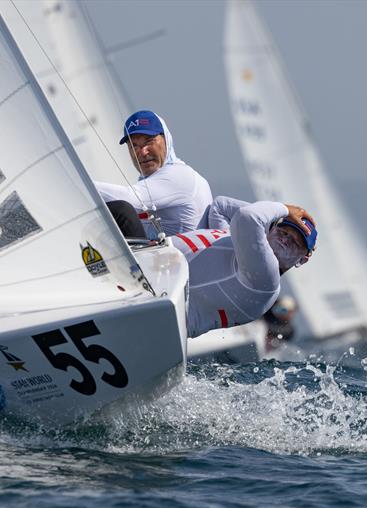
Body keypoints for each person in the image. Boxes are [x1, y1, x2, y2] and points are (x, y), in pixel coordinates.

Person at [173, 196, 316, 338]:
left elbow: (248, 216)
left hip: (166, 312)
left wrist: (285, 209)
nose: (284, 240)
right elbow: (220, 207)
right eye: (283, 232)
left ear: (302, 260)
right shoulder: (240, 243)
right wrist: (269, 223)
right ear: (271, 229)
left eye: (294, 242)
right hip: (159, 278)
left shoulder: (266, 278)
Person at [95, 110, 213, 238]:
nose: (142, 152)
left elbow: (130, 199)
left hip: (189, 257)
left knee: (121, 210)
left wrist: (75, 183)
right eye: (134, 146)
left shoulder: (179, 175)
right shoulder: (158, 179)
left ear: (166, 140)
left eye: (148, 142)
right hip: (170, 256)